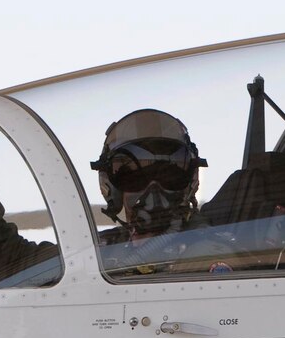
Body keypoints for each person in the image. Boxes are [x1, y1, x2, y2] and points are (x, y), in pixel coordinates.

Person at [91, 108, 215, 274]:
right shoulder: (107, 247)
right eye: (133, 177)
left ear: (189, 181)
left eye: (170, 175)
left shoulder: (207, 254)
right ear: (111, 186)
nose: (154, 191)